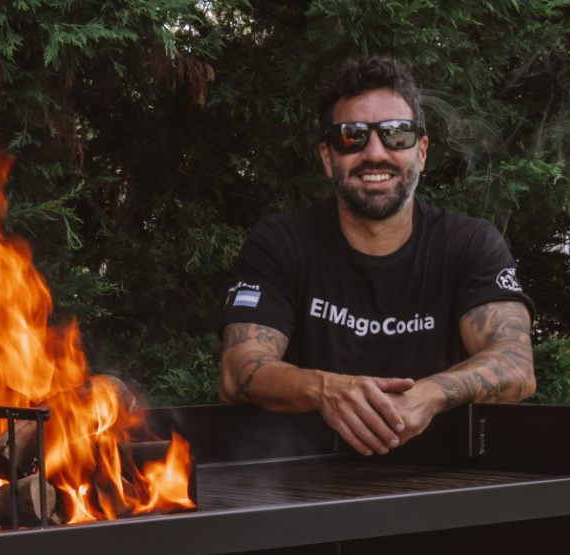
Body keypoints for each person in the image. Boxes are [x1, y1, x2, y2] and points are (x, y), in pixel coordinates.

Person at [218, 55, 536, 456]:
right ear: (327, 156)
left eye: (396, 134)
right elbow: (237, 372)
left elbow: (515, 363)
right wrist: (326, 389)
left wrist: (430, 394)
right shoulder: (281, 242)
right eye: (351, 136)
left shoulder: (469, 243)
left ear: (421, 152)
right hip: (300, 480)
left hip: (442, 479)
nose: (374, 152)